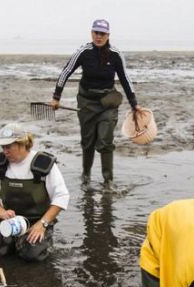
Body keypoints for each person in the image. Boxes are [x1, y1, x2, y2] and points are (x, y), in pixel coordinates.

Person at [52, 18, 138, 183]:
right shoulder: (84, 51)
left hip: (108, 103)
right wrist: (56, 97)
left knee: (105, 141)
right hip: (86, 103)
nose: (99, 36)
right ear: (91, 33)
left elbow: (125, 79)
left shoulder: (115, 54)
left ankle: (108, 181)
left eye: (102, 34)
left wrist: (134, 104)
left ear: (108, 35)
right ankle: (86, 176)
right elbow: (66, 72)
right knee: (88, 141)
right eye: (96, 33)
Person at [0, 123, 70, 262]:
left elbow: (62, 196)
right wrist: (2, 213)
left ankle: (43, 240)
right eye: (3, 147)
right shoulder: (0, 165)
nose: (5, 151)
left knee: (31, 257)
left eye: (9, 146)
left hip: (39, 220)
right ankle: (15, 243)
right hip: (11, 220)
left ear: (22, 143)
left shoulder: (43, 164)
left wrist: (43, 224)